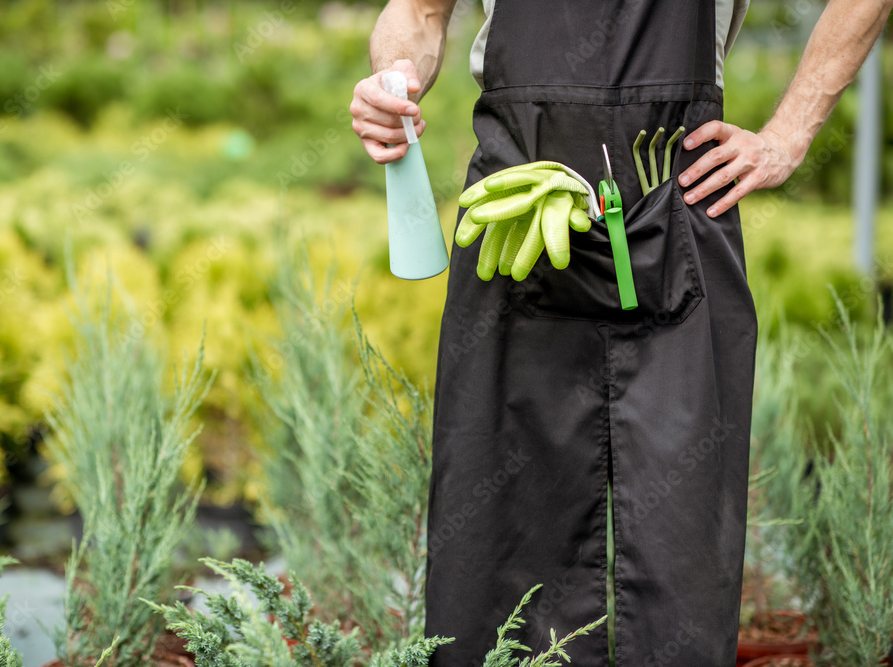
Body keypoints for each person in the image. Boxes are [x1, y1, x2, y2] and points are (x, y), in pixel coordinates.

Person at [350, 0, 892, 665]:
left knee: (680, 576)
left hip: (679, 207)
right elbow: (418, 12)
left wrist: (789, 132)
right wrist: (393, 78)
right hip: (518, 217)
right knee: (496, 565)